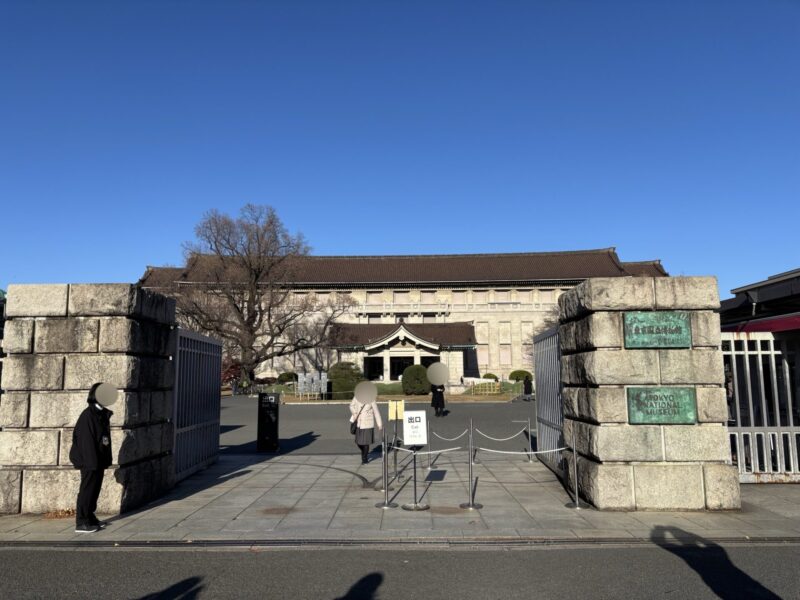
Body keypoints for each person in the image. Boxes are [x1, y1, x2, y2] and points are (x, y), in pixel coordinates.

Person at [69, 383, 114, 533]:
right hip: (89, 460)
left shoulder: (100, 414)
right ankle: (81, 521)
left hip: (97, 459)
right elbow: (86, 441)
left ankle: (89, 515)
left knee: (94, 489)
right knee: (87, 489)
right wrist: (92, 463)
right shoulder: (88, 415)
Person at [350, 394, 383, 464]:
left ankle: (364, 458)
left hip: (368, 424)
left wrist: (379, 424)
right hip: (359, 423)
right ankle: (364, 452)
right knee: (358, 442)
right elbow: (351, 406)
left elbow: (376, 412)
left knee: (366, 443)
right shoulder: (356, 397)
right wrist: (355, 413)